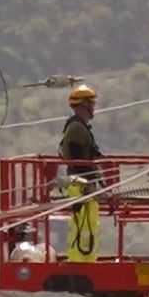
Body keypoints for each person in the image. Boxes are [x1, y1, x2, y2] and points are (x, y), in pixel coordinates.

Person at [58, 83, 103, 262]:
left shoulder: (78, 127)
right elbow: (78, 160)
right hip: (80, 184)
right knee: (83, 223)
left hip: (81, 183)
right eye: (91, 104)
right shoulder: (76, 129)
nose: (93, 108)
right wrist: (88, 182)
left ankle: (84, 258)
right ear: (83, 105)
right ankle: (81, 259)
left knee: (87, 222)